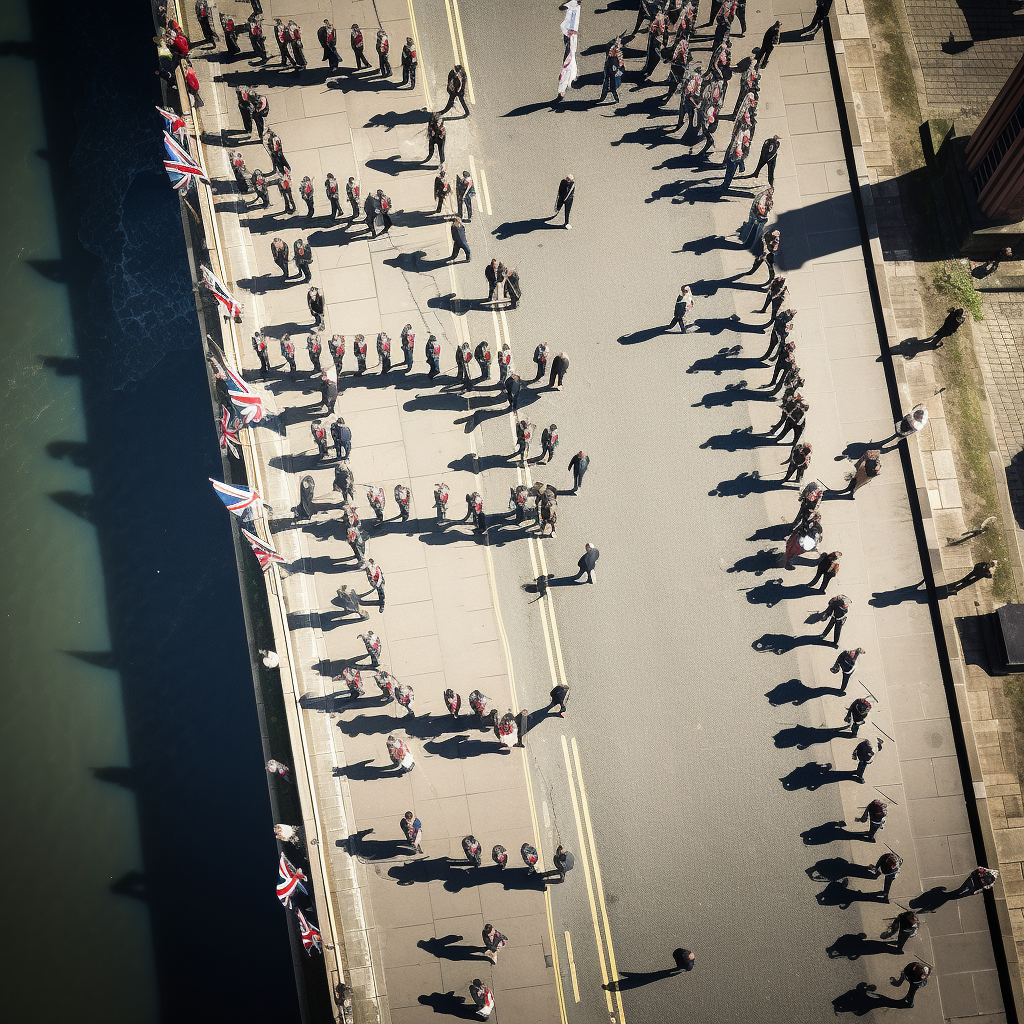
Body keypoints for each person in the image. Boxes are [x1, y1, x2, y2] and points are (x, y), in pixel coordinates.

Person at [599, 37, 625, 104]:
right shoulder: (612, 51)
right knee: (606, 85)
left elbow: (621, 65)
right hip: (609, 70)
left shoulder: (618, 54)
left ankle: (616, 99)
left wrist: (617, 70)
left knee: (612, 87)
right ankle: (603, 98)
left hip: (613, 72)